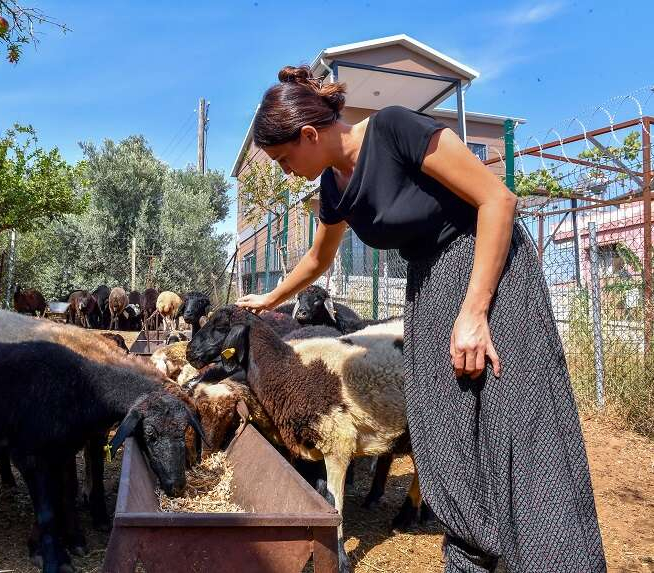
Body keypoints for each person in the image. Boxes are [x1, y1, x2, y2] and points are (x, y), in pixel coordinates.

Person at [236, 65, 606, 573]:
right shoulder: (332, 187)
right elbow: (317, 261)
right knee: (437, 431)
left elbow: (497, 200)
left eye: (282, 159)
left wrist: (475, 313)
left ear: (308, 134)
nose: (283, 170)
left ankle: (552, 557)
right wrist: (269, 298)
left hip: (488, 273)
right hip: (428, 290)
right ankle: (475, 552)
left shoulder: (393, 129)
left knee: (518, 423)